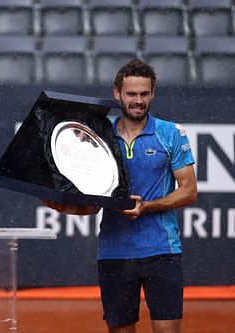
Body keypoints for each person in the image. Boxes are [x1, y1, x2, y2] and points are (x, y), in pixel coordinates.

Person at [97, 58, 197, 333]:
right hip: (113, 253)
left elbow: (189, 191)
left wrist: (148, 206)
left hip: (162, 252)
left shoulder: (170, 133)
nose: (138, 100)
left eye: (144, 94)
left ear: (152, 94)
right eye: (131, 94)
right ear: (117, 93)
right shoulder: (100, 136)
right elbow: (88, 194)